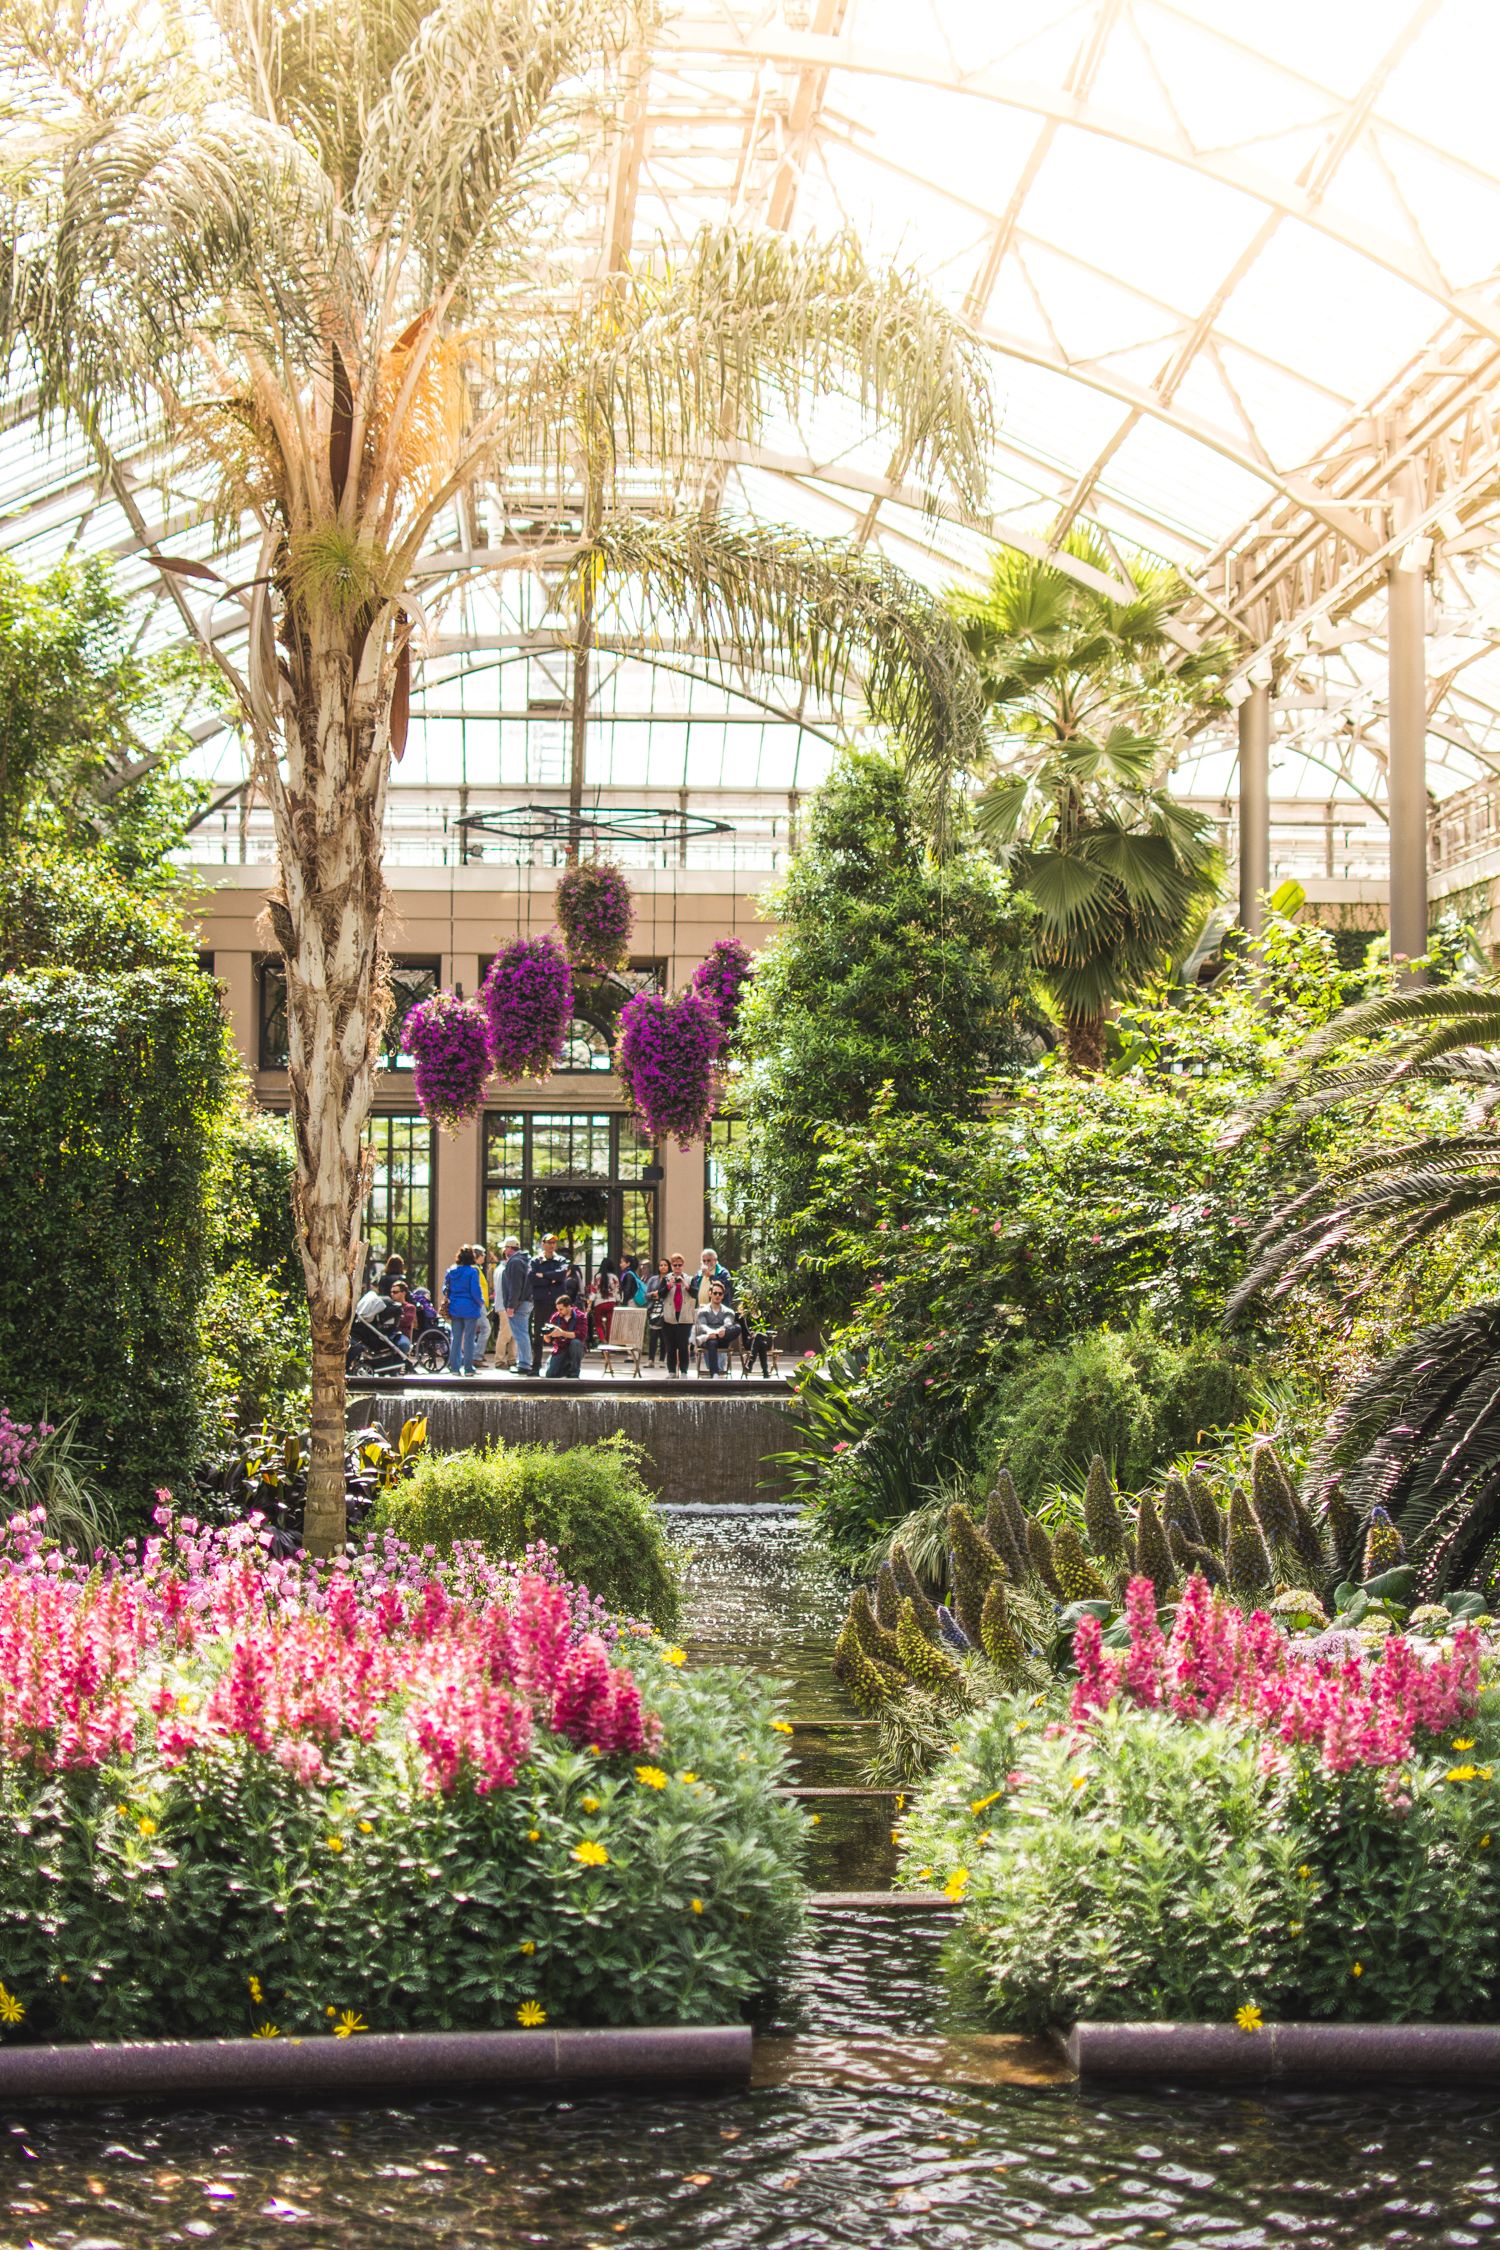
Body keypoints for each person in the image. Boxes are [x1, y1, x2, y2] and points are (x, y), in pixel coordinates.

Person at [442, 1245, 486, 1376]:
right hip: (470, 1307)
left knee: (455, 1338)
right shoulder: (472, 1272)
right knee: (469, 1339)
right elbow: (475, 1291)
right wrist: (480, 1302)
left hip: (455, 1307)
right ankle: (468, 1368)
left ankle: (455, 1367)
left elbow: (445, 1289)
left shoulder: (451, 1271)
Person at [528, 1234, 572, 1364]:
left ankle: (563, 1364)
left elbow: (561, 1275)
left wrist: (543, 1275)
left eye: (553, 1242)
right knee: (538, 1333)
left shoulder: (561, 1260)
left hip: (558, 1303)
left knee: (562, 1332)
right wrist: (551, 1280)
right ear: (542, 1244)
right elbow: (532, 1278)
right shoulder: (535, 1261)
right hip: (541, 1301)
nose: (551, 1245)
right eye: (548, 1242)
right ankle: (536, 1365)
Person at [498, 1236, 534, 1376]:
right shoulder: (525, 1260)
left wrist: (511, 1305)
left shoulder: (515, 1262)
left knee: (520, 1334)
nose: (504, 1250)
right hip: (526, 1302)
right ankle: (524, 1362)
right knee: (522, 1333)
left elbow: (515, 1285)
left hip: (519, 1304)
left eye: (505, 1248)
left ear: (509, 1248)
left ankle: (525, 1363)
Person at [691, 1278, 740, 1377]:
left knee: (737, 1327)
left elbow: (728, 1323)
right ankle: (715, 1374)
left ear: (723, 1296)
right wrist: (711, 1333)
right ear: (710, 1293)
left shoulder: (728, 1311)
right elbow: (703, 1326)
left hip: (722, 1337)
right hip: (708, 1339)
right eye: (715, 1293)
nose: (717, 1295)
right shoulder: (703, 1311)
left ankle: (711, 1337)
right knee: (712, 1341)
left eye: (720, 1294)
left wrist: (718, 1332)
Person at [658, 1254, 694, 1378]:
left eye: (680, 1265)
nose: (677, 1267)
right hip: (669, 1317)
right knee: (670, 1346)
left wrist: (685, 1285)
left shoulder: (689, 1278)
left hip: (685, 1317)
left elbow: (695, 1293)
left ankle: (684, 1371)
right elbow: (660, 1294)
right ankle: (671, 1371)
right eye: (675, 1265)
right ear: (671, 1266)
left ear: (683, 1266)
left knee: (683, 1346)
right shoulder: (667, 1279)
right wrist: (669, 1285)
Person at [541, 1293, 587, 1380]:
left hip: (575, 1348)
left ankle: (574, 1372)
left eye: (561, 1309)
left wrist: (562, 1333)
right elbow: (548, 1340)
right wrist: (547, 1335)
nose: (559, 1312)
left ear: (569, 1306)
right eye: (558, 1309)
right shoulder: (555, 1317)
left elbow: (581, 1335)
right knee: (550, 1374)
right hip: (560, 1348)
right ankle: (566, 1368)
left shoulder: (580, 1316)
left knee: (576, 1342)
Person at [644, 1256, 671, 1366]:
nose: (663, 1267)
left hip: (665, 1309)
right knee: (653, 1335)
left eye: (665, 1265)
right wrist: (653, 1294)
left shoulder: (670, 1278)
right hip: (653, 1308)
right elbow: (646, 1295)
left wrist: (660, 1294)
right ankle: (651, 1359)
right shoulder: (653, 1279)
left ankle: (662, 1359)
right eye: (661, 1265)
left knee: (664, 1335)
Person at [588, 1259, 620, 1345]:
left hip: (599, 1303)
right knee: (610, 1324)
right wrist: (618, 1301)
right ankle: (609, 1342)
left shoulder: (597, 1276)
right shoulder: (614, 1277)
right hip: (611, 1303)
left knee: (598, 1323)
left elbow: (593, 1291)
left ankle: (602, 1339)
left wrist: (589, 1303)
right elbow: (617, 1292)